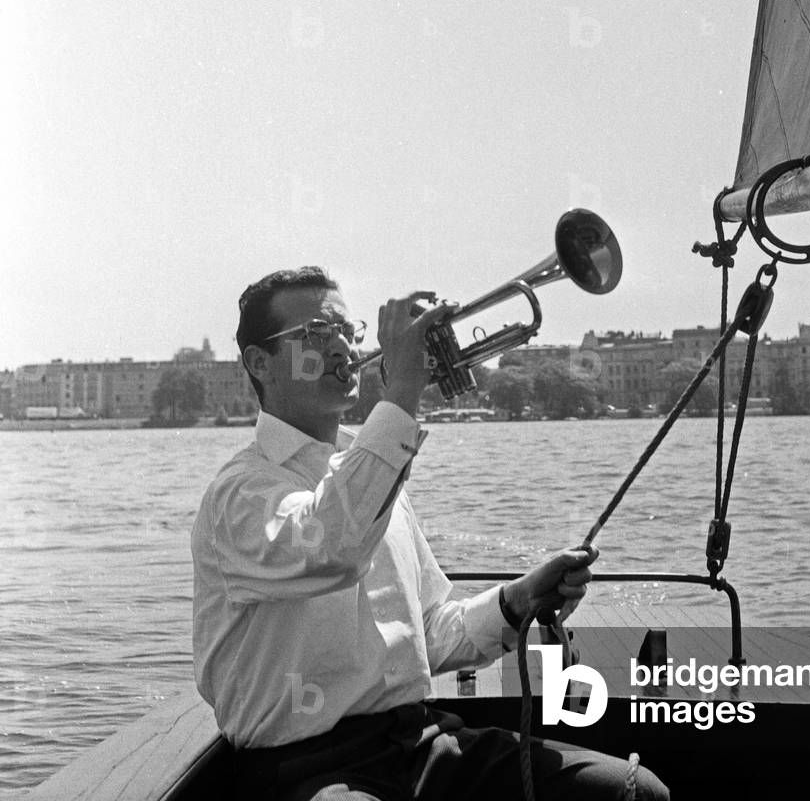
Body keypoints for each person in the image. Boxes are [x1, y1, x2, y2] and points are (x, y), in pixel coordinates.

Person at [191, 266, 670, 801]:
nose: (343, 349)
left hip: (420, 741)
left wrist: (518, 599)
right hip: (304, 767)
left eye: (348, 332)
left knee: (636, 793)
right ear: (259, 363)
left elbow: (430, 632)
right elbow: (332, 548)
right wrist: (400, 394)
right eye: (316, 334)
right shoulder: (240, 493)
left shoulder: (372, 472)